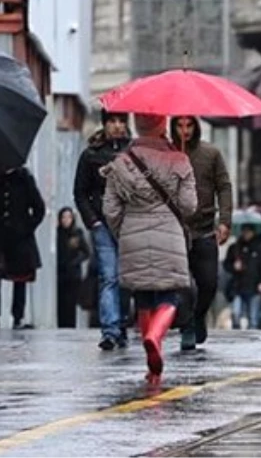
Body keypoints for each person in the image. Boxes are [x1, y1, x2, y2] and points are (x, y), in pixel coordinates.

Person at [102, 113, 197, 383]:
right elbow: (189, 206)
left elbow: (109, 209)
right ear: (163, 126)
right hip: (169, 234)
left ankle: (151, 364)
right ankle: (155, 336)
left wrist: (124, 230)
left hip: (132, 233)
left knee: (142, 296)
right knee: (170, 295)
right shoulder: (179, 160)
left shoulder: (121, 163)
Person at [170, 116, 233, 350]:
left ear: (196, 127)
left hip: (205, 228)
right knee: (183, 284)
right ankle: (186, 325)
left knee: (209, 283)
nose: (184, 131)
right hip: (175, 230)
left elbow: (224, 186)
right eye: (179, 125)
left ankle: (198, 316)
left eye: (189, 125)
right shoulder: (166, 155)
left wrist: (225, 221)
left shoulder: (211, 154)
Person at [74, 108, 132, 349]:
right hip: (103, 225)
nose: (117, 126)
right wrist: (93, 221)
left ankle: (122, 325)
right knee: (109, 276)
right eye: (112, 121)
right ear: (105, 124)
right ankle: (109, 329)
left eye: (121, 121)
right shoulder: (91, 155)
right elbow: (80, 192)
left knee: (126, 279)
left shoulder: (135, 153)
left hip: (130, 224)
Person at [0, 167, 45, 329]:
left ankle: (18, 317)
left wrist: (27, 227)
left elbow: (39, 208)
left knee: (20, 276)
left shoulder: (25, 179)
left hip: (20, 236)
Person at [224, 224, 261, 329]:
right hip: (238, 286)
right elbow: (227, 265)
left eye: (249, 232)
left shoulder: (260, 248)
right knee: (236, 314)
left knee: (253, 318)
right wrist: (234, 267)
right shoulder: (235, 248)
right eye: (244, 231)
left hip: (254, 286)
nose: (246, 234)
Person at [56, 207, 90, 328]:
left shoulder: (77, 233)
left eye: (69, 217)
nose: (66, 220)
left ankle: (70, 326)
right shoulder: (57, 234)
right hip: (60, 274)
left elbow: (86, 252)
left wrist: (75, 262)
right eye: (63, 217)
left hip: (73, 275)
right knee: (61, 302)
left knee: (70, 303)